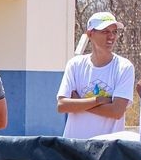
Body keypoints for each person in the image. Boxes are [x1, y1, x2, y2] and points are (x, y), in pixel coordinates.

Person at [56, 11, 134, 139]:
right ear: (90, 34)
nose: (111, 37)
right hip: (73, 148)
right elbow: (62, 105)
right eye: (105, 32)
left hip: (108, 151)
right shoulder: (75, 64)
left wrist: (79, 103)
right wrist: (97, 100)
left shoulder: (124, 67)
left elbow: (116, 112)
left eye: (114, 32)